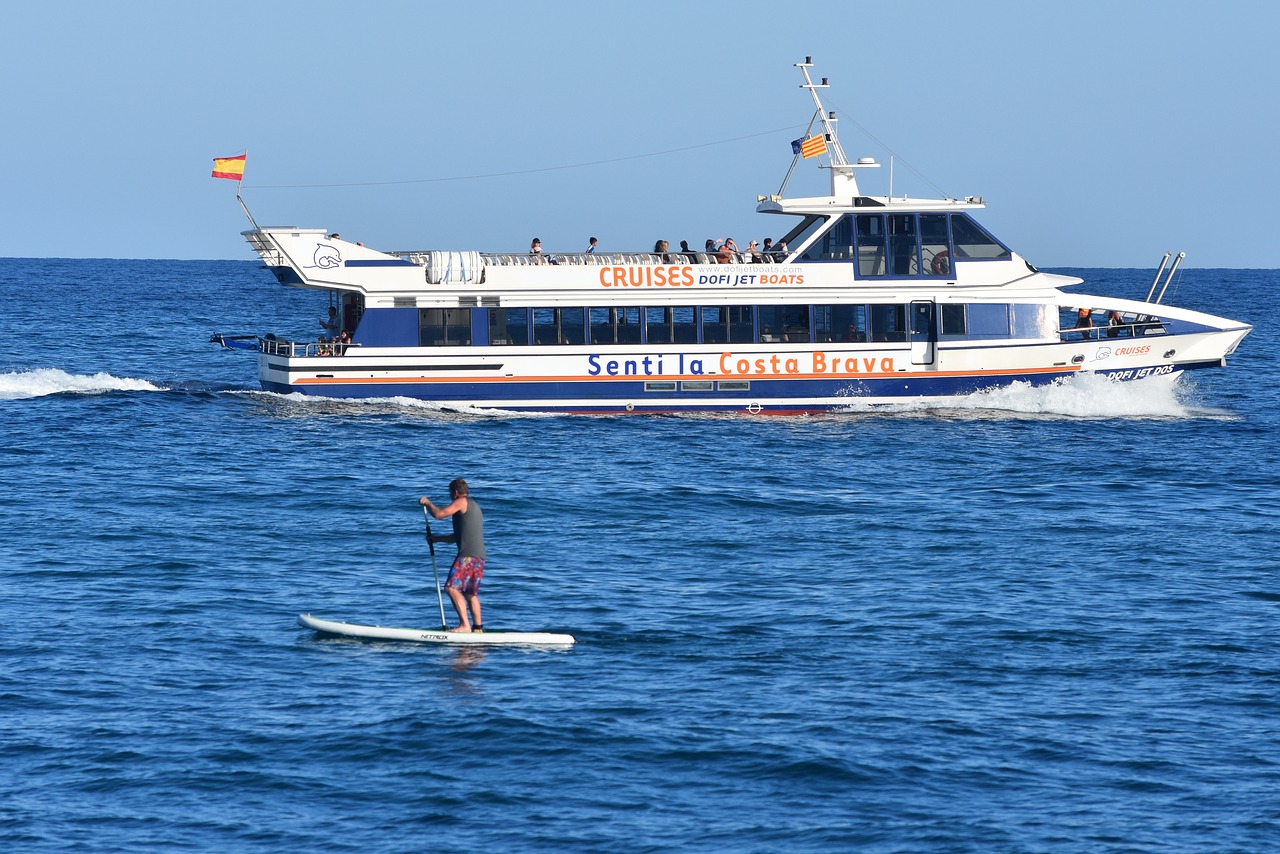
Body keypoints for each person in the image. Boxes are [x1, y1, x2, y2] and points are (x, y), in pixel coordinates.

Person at [420, 479, 486, 633]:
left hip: (468, 555)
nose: (449, 495)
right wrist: (436, 539)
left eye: (450, 492)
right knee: (470, 593)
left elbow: (439, 515)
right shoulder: (474, 506)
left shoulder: (461, 502)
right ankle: (478, 629)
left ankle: (465, 626)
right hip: (479, 555)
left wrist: (427, 503)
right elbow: (458, 536)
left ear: (455, 492)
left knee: (451, 588)